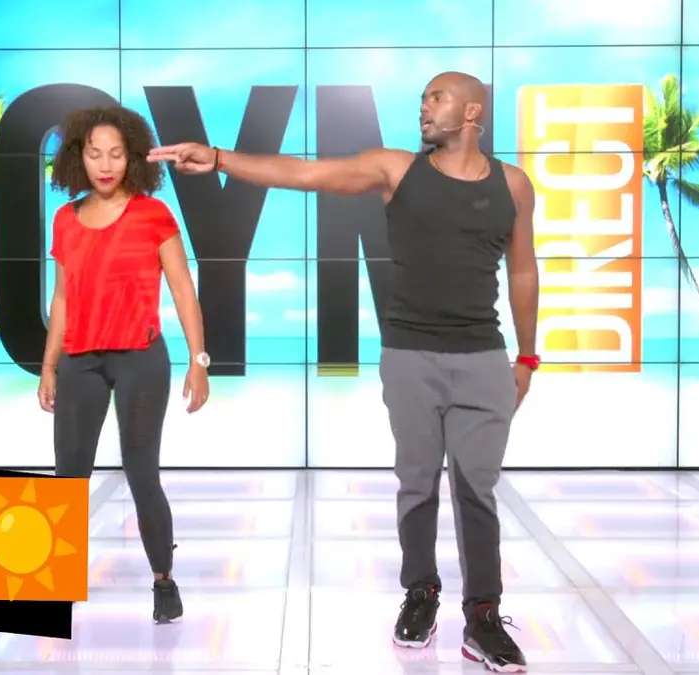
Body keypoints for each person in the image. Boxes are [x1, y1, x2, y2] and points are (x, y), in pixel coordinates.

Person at [149, 72, 538, 671]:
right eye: (422, 97)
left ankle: (483, 615)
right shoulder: (395, 170)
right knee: (417, 484)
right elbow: (305, 174)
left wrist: (527, 356)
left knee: (476, 490)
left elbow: (523, 269)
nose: (424, 106)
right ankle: (421, 594)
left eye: (436, 97)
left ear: (471, 112)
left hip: (484, 357)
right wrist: (221, 158)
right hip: (410, 355)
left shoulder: (513, 184)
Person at [38, 105, 211, 625]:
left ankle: (164, 581)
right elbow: (62, 298)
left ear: (131, 158)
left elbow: (183, 290)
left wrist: (199, 361)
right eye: (95, 154)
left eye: (116, 154)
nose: (106, 164)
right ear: (79, 158)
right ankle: (58, 580)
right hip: (80, 361)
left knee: (141, 472)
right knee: (68, 474)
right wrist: (49, 365)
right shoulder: (65, 219)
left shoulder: (153, 214)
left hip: (141, 359)